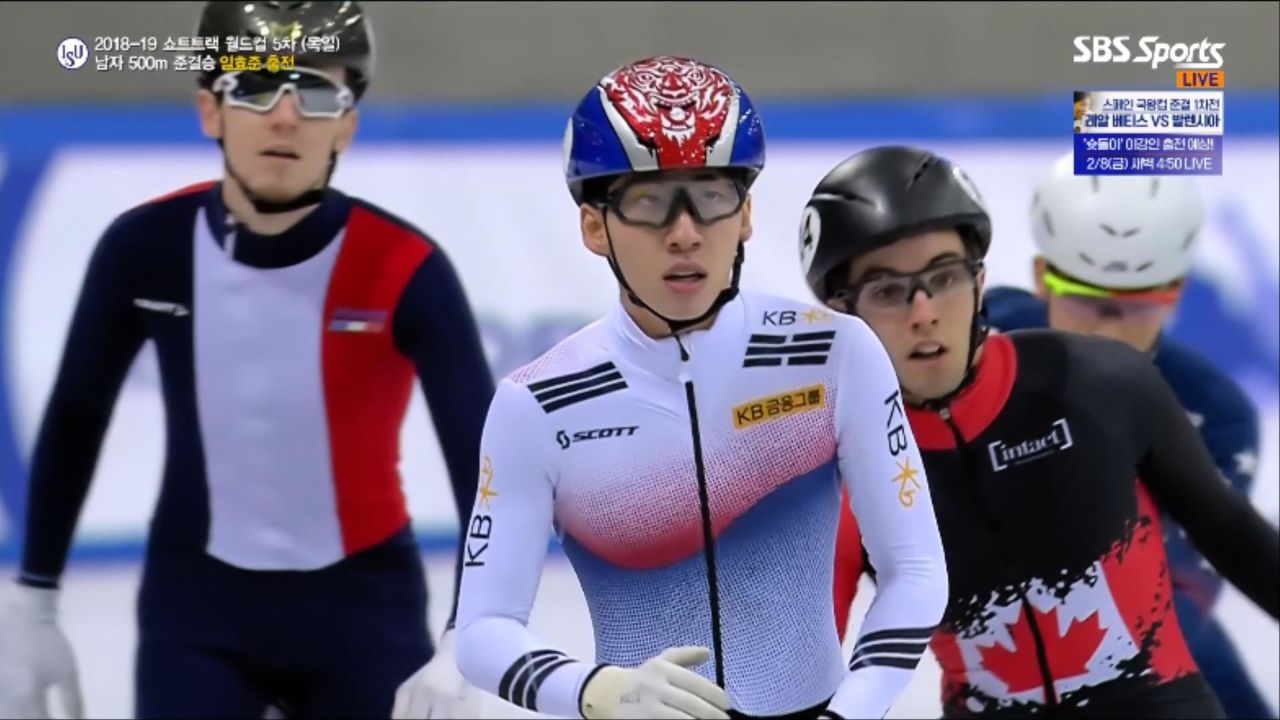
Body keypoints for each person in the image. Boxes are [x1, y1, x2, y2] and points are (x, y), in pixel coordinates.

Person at [392, 55, 949, 720]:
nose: (685, 234)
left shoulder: (834, 354)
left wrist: (848, 714)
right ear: (594, 227)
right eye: (650, 202)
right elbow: (483, 628)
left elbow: (916, 571)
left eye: (710, 198)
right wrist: (597, 691)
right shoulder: (536, 404)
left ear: (745, 215)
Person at [0, 2, 494, 718]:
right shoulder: (143, 250)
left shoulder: (406, 267)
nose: (285, 117)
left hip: (364, 610)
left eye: (315, 93)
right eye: (257, 87)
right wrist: (34, 600)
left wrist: (470, 632)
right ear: (211, 110)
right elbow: (79, 413)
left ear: (346, 125)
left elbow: (488, 468)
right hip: (198, 610)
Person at [802, 145, 1279, 718]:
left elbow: (1235, 538)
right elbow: (801, 657)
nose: (924, 312)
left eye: (944, 277)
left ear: (979, 283)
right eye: (888, 291)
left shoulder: (1101, 380)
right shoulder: (841, 468)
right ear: (843, 314)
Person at [980, 152, 1275, 720]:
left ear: (1176, 291)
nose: (1109, 326)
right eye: (1085, 299)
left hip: (1137, 622)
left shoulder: (1215, 412)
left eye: (1137, 304)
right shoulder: (981, 335)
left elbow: (1177, 591)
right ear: (1041, 277)